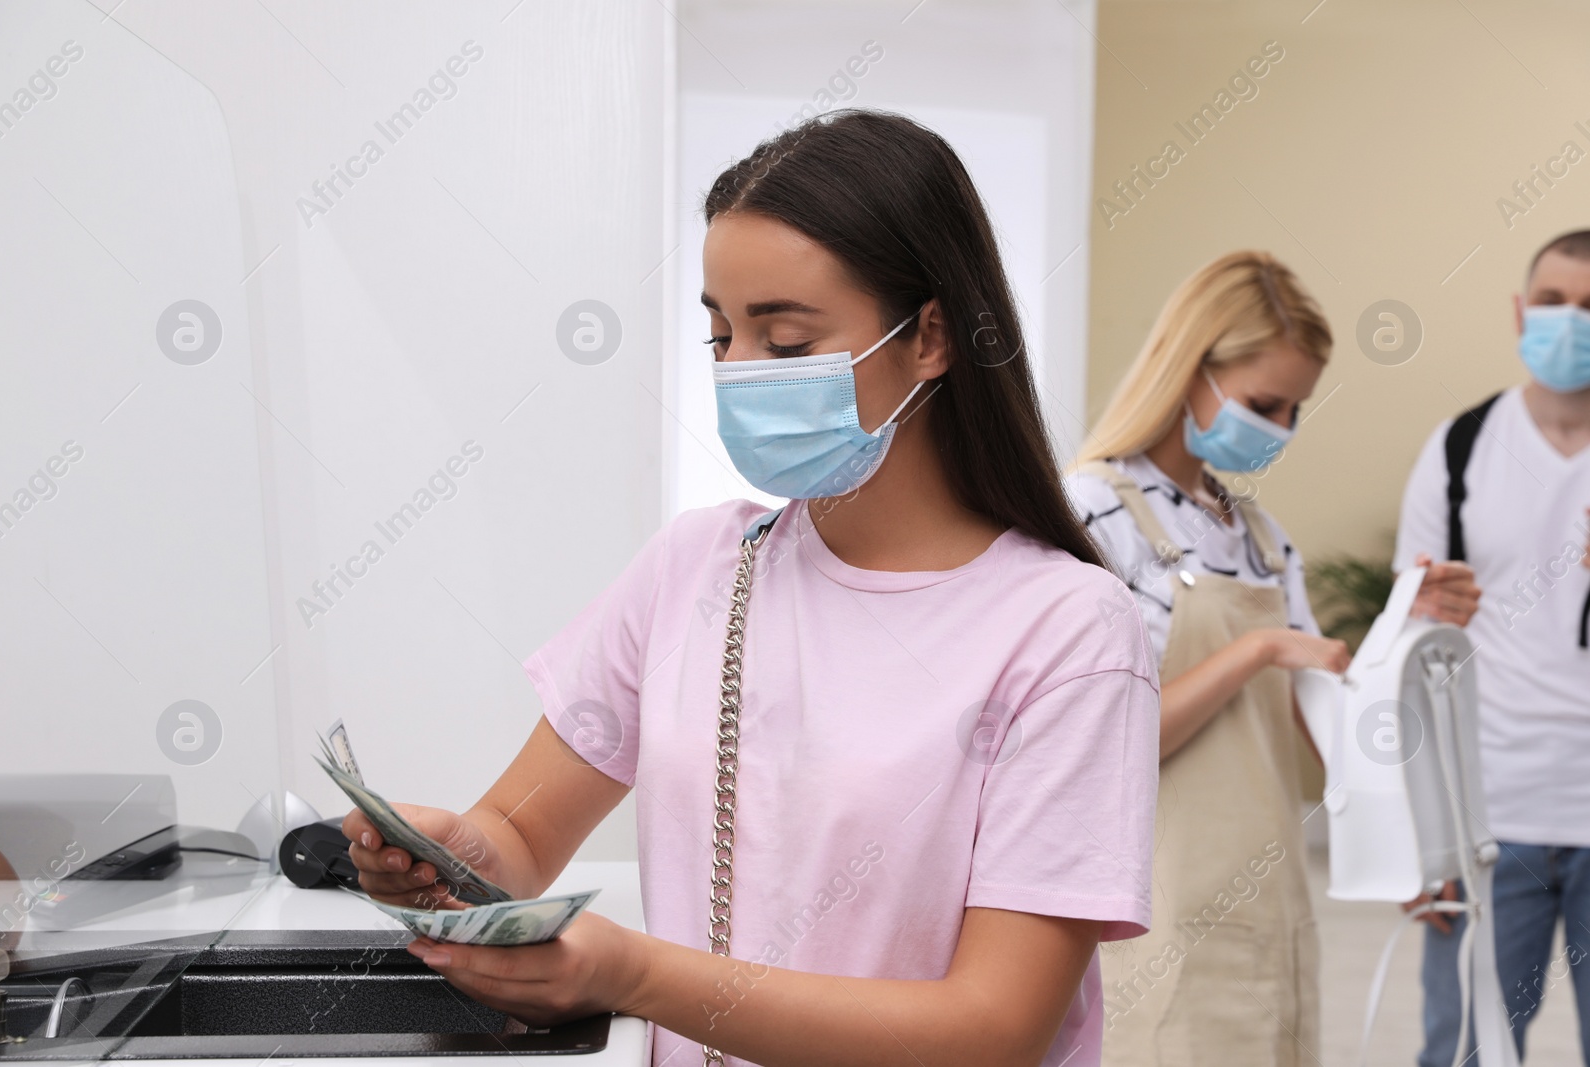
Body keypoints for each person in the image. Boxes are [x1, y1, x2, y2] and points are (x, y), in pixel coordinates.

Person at [345, 109, 1162, 1067]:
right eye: (720, 335)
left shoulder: (1067, 630)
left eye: (781, 343)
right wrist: (451, 860)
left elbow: (993, 1030)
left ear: (932, 335)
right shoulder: (694, 567)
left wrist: (637, 976)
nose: (736, 373)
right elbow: (519, 832)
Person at [1068, 251, 1477, 1066]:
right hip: (1159, 911)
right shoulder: (1094, 511)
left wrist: (1407, 619)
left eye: (1295, 409)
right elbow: (1113, 744)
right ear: (1190, 368)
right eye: (1265, 403)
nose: (1281, 429)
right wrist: (1257, 648)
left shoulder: (1254, 531)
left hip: (1267, 900)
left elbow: (1324, 706)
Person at [1396, 229, 1590, 1066]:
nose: (1570, 322)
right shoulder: (1459, 447)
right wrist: (1422, 838)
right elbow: (1412, 648)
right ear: (1520, 310)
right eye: (1553, 303)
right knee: (1465, 1053)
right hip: (1487, 823)